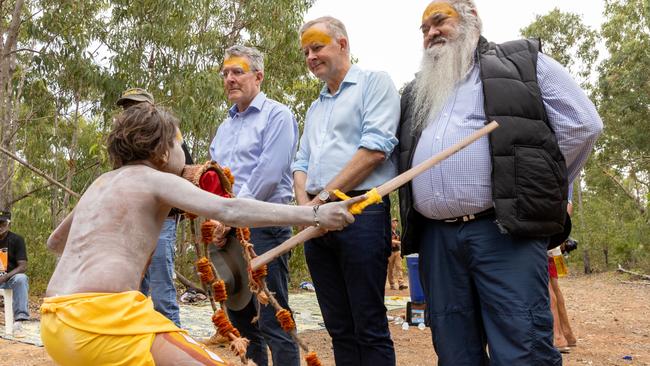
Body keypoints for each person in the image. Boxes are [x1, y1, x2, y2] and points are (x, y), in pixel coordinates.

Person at [41, 103, 360, 366]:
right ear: (163, 152)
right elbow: (230, 210)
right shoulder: (156, 179)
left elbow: (55, 242)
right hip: (104, 321)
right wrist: (315, 214)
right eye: (180, 144)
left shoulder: (98, 185)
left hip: (54, 321)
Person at [397, 1, 603, 364]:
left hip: (503, 231)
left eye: (439, 21)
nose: (430, 32)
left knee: (522, 347)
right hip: (436, 241)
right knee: (455, 351)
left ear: (471, 20)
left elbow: (582, 124)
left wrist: (538, 184)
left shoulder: (522, 61)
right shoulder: (417, 92)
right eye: (424, 28)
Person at [293, 16, 400, 365]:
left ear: (342, 44)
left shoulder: (374, 83)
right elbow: (300, 163)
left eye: (317, 46)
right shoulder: (314, 107)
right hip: (316, 221)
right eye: (305, 51)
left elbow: (374, 150)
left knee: (368, 324)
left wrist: (323, 200)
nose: (310, 56)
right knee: (338, 327)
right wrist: (305, 211)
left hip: (359, 212)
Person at [209, 45, 300, 366]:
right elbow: (216, 180)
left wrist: (230, 215)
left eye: (237, 72)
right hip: (227, 234)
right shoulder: (224, 127)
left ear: (258, 76)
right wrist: (217, 219)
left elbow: (270, 174)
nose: (230, 79)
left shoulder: (278, 116)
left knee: (274, 321)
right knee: (243, 324)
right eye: (225, 74)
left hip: (263, 229)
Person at [116, 87, 193, 327]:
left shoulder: (170, 133)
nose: (131, 111)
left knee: (161, 285)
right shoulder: (122, 139)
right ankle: (136, 340)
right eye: (127, 107)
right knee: (134, 285)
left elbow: (187, 168)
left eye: (136, 105)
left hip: (163, 218)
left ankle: (173, 339)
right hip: (134, 220)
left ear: (151, 107)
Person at [0, 210, 30, 322]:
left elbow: (23, 266)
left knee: (21, 278)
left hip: (9, 280)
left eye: (2, 224)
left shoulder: (17, 240)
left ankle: (21, 317)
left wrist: (5, 277)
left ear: (9, 224)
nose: (0, 227)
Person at [387, 218, 407, 290]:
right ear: (391, 223)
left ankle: (401, 284)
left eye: (396, 222)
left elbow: (400, 240)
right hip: (390, 252)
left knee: (399, 267)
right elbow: (390, 240)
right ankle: (392, 284)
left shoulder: (398, 232)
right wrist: (399, 242)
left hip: (397, 251)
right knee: (390, 269)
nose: (395, 224)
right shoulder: (388, 231)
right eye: (393, 222)